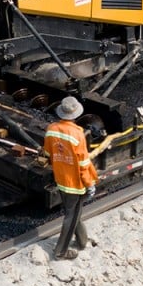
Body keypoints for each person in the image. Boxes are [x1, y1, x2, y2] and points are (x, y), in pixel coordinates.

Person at [44, 96, 99, 260]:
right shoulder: (77, 134)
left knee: (75, 213)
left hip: (61, 178)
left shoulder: (51, 129)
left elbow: (48, 153)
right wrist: (89, 184)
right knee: (71, 216)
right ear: (75, 114)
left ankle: (82, 241)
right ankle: (60, 252)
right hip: (75, 183)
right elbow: (83, 163)